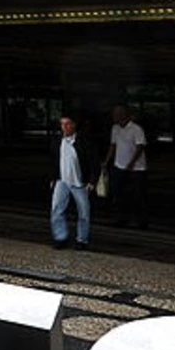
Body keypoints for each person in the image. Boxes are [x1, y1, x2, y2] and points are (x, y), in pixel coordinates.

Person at [49, 116, 98, 250]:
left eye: (67, 124)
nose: (64, 127)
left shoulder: (83, 141)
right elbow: (54, 161)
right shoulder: (58, 140)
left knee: (84, 212)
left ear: (74, 125)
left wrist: (92, 181)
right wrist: (53, 178)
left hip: (79, 182)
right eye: (62, 124)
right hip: (62, 180)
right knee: (57, 209)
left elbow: (92, 162)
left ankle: (82, 240)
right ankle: (60, 237)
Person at [102, 104, 150, 229]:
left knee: (138, 195)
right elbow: (113, 146)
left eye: (115, 114)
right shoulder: (115, 128)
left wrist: (131, 163)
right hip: (119, 165)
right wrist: (106, 161)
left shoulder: (136, 129)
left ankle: (141, 221)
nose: (113, 117)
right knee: (118, 194)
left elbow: (140, 147)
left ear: (122, 115)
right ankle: (121, 218)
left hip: (137, 168)